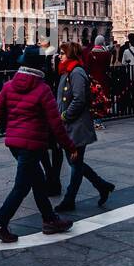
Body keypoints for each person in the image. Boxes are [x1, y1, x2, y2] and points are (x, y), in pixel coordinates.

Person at [0, 52, 79, 243]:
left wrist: (11, 125)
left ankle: (49, 220)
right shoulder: (43, 89)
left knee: (37, 181)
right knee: (22, 187)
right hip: (33, 144)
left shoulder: (9, 85)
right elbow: (56, 124)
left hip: (14, 143)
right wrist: (70, 146)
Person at [54, 42, 115, 212]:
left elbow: (79, 99)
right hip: (68, 125)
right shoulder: (66, 71)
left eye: (62, 53)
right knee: (76, 163)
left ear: (71, 54)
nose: (60, 56)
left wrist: (65, 115)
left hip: (77, 125)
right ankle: (102, 186)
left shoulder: (77, 72)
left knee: (75, 163)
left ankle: (69, 199)